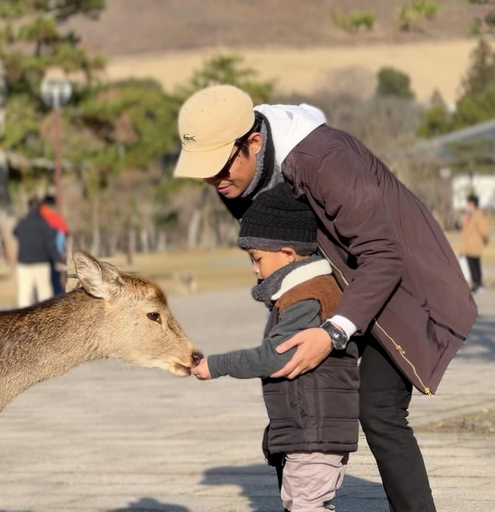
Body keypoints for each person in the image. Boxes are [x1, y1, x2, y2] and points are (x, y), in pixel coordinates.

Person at [174, 85, 477, 512]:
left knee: (379, 410)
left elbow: (384, 255)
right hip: (336, 288)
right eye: (205, 172)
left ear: (254, 143)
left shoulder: (325, 159)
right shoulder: (243, 172)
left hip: (401, 290)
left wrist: (333, 331)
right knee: (295, 401)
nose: (216, 181)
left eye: (221, 169)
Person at [191, 183, 359, 512]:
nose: (254, 268)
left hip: (315, 432)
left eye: (257, 258)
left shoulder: (306, 295)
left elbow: (274, 357)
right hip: (310, 430)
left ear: (286, 253)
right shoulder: (302, 292)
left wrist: (217, 365)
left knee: (305, 506)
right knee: (304, 504)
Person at [13, 199, 64, 307]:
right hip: (41, 263)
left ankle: (22, 320)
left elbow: (15, 232)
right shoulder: (44, 223)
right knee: (44, 295)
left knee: (24, 295)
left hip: (24, 263)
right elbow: (51, 243)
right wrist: (57, 260)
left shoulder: (23, 222)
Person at [458, 194, 489, 294]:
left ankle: (478, 284)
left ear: (473, 204)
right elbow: (461, 226)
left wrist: (486, 239)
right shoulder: (467, 215)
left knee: (475, 264)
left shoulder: (478, 215)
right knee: (471, 265)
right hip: (467, 245)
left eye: (468, 203)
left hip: (475, 244)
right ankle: (475, 283)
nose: (467, 205)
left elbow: (484, 230)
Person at [39, 196, 69, 295]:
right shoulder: (56, 218)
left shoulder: (41, 218)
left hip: (42, 257)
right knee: (55, 283)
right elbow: (64, 234)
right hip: (55, 256)